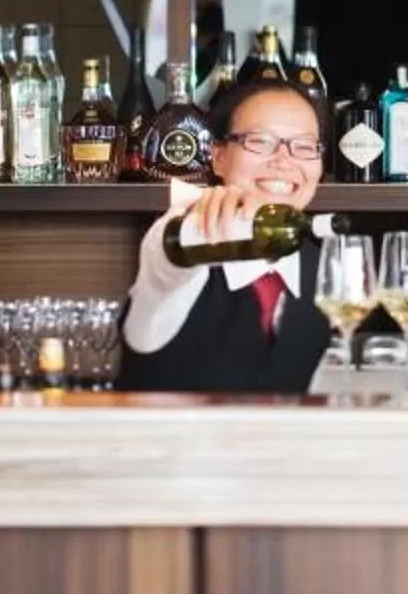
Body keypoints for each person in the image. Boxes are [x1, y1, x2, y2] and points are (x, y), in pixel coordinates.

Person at [120, 77, 333, 395]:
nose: (283, 161)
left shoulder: (324, 272)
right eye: (261, 141)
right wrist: (194, 224)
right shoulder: (183, 244)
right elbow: (168, 254)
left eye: (304, 146)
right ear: (218, 156)